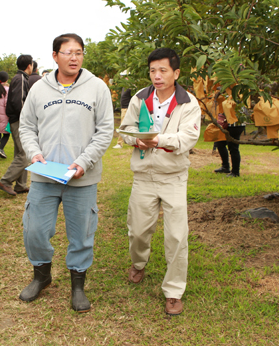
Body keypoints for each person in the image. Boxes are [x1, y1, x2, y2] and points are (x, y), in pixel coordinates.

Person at [18, 33, 113, 312]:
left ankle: (78, 285)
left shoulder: (97, 88)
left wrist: (84, 162)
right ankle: (42, 276)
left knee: (82, 233)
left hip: (81, 178)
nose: (74, 57)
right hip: (45, 176)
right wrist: (34, 153)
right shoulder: (39, 89)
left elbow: (105, 130)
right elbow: (26, 127)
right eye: (68, 52)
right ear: (54, 56)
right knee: (35, 229)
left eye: (79, 52)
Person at [119, 48, 201, 317]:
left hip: (173, 178)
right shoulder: (140, 98)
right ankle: (138, 263)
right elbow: (127, 128)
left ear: (176, 73)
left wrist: (158, 141)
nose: (157, 76)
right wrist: (136, 139)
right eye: (153, 70)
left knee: (177, 236)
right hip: (143, 176)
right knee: (138, 230)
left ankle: (174, 291)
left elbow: (187, 139)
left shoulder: (188, 102)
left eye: (163, 70)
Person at [0, 55, 33, 196]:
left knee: (20, 152)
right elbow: (19, 102)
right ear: (29, 65)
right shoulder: (21, 79)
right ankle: (5, 181)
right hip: (19, 120)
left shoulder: (18, 78)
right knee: (25, 154)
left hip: (15, 120)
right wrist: (27, 118)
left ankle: (20, 185)